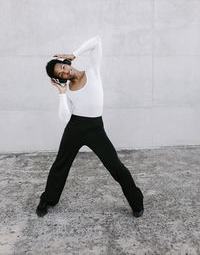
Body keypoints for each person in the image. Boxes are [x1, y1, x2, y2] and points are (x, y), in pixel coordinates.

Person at [36, 35, 144, 218]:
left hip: (95, 128)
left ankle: (136, 201)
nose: (65, 72)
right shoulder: (68, 89)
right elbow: (64, 118)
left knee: (115, 166)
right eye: (61, 74)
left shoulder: (92, 70)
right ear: (60, 79)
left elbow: (97, 41)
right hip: (75, 127)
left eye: (63, 67)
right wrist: (61, 94)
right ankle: (48, 199)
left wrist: (74, 54)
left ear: (66, 63)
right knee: (60, 164)